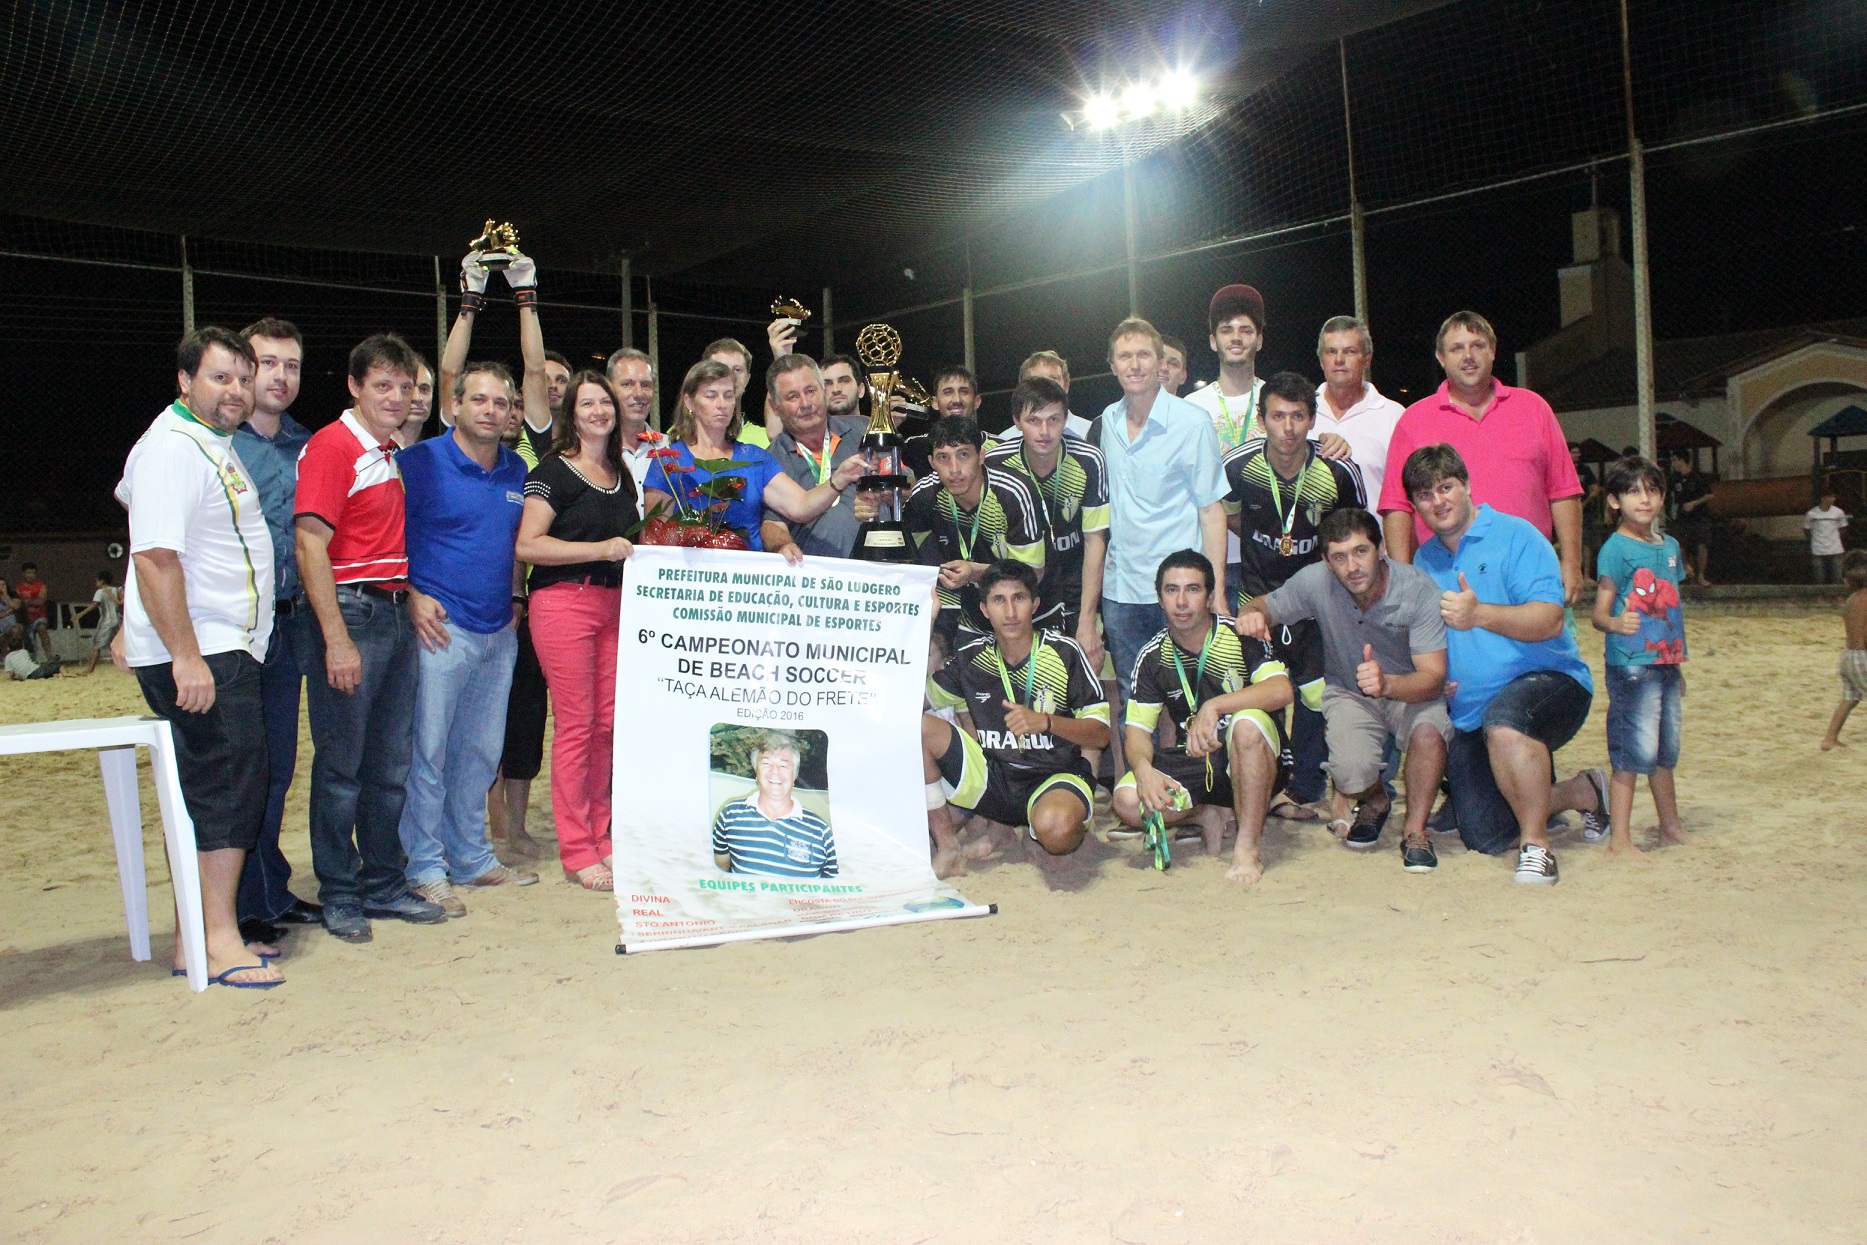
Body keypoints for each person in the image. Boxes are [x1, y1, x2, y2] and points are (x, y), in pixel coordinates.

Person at [115, 326, 282, 986]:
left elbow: (140, 518)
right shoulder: (172, 448)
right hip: (203, 651)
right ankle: (216, 936)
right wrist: (182, 654)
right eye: (221, 377)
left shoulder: (204, 443)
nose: (236, 389)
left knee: (220, 788)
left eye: (243, 377)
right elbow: (155, 555)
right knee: (224, 791)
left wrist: (134, 627)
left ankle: (198, 934)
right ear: (186, 380)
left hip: (220, 646)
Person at [295, 332, 449, 940]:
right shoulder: (335, 447)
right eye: (381, 385)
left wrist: (407, 596)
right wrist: (336, 638)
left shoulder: (385, 453)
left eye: (404, 386)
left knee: (389, 764)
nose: (395, 396)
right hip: (353, 615)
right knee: (341, 767)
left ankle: (383, 883)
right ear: (355, 387)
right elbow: (310, 543)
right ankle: (340, 891)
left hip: (390, 611)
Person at [1403, 444, 1606, 885]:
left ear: (1467, 486)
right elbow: (1425, 640)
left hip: (1550, 684)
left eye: (1446, 487)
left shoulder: (1519, 536)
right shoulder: (1425, 561)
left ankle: (1537, 847)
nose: (1438, 501)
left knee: (1507, 720)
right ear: (1415, 506)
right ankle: (1580, 791)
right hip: (1471, 711)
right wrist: (1433, 680)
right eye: (1424, 494)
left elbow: (1550, 620)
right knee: (1485, 833)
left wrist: (1480, 614)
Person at [397, 349, 539, 918]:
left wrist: (513, 596)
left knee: (479, 752)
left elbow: (515, 547)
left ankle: (472, 856)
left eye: (501, 402)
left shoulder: (516, 472)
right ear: (454, 405)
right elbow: (388, 534)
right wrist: (411, 594)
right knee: (427, 752)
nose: (490, 410)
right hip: (440, 629)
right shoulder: (419, 463)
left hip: (496, 629)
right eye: (477, 398)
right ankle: (425, 868)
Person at [1237, 509, 1450, 870]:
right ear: (1326, 561)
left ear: (1381, 548)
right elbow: (1264, 605)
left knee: (1429, 733)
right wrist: (1252, 613)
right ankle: (1377, 799)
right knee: (1349, 773)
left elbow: (1433, 677)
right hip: (1350, 693)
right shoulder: (1316, 581)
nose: (1352, 566)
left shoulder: (1417, 590)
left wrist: (1388, 684)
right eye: (1339, 557)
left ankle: (1415, 832)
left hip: (1410, 691)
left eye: (1360, 551)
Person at [1222, 372, 1367, 820]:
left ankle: (1305, 787)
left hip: (1317, 605)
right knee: (1263, 694)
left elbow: (1356, 534)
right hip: (1257, 601)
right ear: (1262, 420)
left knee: (1316, 695)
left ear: (1311, 420)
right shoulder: (1237, 465)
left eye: (1298, 417)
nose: (1288, 427)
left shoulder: (1338, 469)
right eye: (1278, 416)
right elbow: (1227, 519)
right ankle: (1261, 780)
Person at [516, 371, 638, 892]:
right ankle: (577, 848)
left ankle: (602, 835)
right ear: (573, 412)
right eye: (587, 403)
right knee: (576, 726)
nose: (597, 411)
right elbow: (528, 545)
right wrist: (600, 549)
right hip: (564, 603)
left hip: (615, 606)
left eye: (604, 402)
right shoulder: (552, 472)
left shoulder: (621, 473)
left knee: (608, 726)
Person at [1379, 312, 1586, 605]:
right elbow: (1397, 507)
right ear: (1441, 357)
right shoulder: (1413, 420)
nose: (1468, 356)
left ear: (1492, 350)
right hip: (1445, 577)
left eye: (1477, 345)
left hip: (1528, 571)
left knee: (1544, 647)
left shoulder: (1534, 408)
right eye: (1456, 348)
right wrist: (1404, 578)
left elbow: (1563, 491)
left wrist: (1571, 562)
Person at [923, 561, 1110, 876]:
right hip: (994, 779)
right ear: (984, 609)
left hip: (1053, 776)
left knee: (1058, 831)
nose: (1010, 611)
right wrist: (924, 623)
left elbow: (1101, 734)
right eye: (999, 600)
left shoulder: (1064, 653)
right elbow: (911, 702)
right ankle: (949, 848)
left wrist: (1047, 722)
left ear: (1035, 605)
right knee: (919, 728)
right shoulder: (971, 658)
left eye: (1019, 598)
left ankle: (1039, 828)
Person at [1115, 551, 1293, 882]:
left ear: (1211, 597)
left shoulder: (1239, 635)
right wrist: (1143, 770)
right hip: (1195, 761)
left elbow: (1281, 690)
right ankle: (1203, 813)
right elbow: (1137, 732)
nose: (1181, 601)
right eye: (1172, 590)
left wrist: (1216, 706)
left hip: (1249, 757)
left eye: (1193, 589)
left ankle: (1246, 846)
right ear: (1159, 599)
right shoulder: (1153, 656)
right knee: (1127, 800)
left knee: (1246, 724)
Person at [231, 315, 322, 939]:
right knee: (244, 767)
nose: (281, 377)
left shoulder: (308, 445)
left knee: (279, 767)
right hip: (237, 630)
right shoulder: (217, 443)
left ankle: (271, 890)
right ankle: (240, 905)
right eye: (268, 364)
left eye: (291, 366)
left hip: (292, 624)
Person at [1095, 317, 1230, 703]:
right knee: (1135, 701)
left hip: (1181, 590)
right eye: (1125, 356)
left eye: (1143, 355)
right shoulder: (1108, 421)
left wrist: (1216, 591)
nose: (1134, 364)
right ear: (1113, 366)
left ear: (1161, 364)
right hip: (1123, 592)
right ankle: (1140, 768)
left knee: (1198, 698)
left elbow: (1211, 511)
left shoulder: (1192, 423)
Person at [642, 360, 866, 562]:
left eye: (729, 396)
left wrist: (840, 478)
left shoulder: (755, 458)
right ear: (689, 402)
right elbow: (652, 539)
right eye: (711, 396)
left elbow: (801, 506)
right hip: (692, 582)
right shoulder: (668, 461)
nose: (722, 404)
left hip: (749, 586)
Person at [1591, 455, 1692, 854]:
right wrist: (1616, 625)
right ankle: (1620, 839)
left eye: (1652, 490)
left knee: (1665, 751)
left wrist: (1677, 665)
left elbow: (1673, 608)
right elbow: (1600, 611)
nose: (1644, 499)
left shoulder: (1670, 547)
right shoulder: (1615, 549)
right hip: (1631, 664)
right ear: (1615, 500)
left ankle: (1670, 826)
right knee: (1632, 752)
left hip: (1665, 662)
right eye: (1633, 492)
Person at [904, 416, 1046, 645]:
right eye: (943, 458)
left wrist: (974, 572)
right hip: (968, 610)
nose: (954, 469)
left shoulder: (1013, 492)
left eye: (963, 454)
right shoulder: (926, 494)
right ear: (932, 462)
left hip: (1026, 607)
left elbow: (1033, 573)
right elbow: (903, 553)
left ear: (981, 456)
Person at [765, 354, 870, 558]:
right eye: (792, 396)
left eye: (811, 391)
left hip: (876, 570)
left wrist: (884, 494)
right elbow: (772, 524)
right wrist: (782, 546)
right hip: (819, 577)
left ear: (823, 390)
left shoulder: (866, 431)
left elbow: (906, 483)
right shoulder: (770, 460)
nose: (805, 403)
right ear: (775, 406)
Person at [711, 736, 837, 878]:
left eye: (783, 765)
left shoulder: (821, 831)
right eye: (766, 763)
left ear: (794, 774)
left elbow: (833, 890)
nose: (774, 772)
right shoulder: (729, 815)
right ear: (756, 772)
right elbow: (719, 874)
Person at [1313, 316, 1405, 508]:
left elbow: (1407, 493)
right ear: (1321, 360)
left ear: (1367, 360)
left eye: (1350, 351)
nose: (1339, 360)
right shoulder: (1301, 413)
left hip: (1376, 537)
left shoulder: (1394, 416)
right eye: (1331, 352)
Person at [1819, 551, 1867, 750]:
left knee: (1849, 698)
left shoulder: (1851, 600)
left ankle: (1830, 738)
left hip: (1848, 657)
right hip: (1863, 657)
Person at [605, 346, 659, 507]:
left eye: (646, 385)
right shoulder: (596, 451)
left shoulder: (669, 449)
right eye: (627, 384)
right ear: (609, 388)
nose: (638, 393)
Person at [997, 352, 1092, 439]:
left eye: (1053, 379)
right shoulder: (1005, 440)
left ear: (1066, 385)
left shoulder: (1090, 431)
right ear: (1024, 389)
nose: (1046, 388)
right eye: (1038, 381)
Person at [701, 336, 772, 448]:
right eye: (721, 368)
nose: (730, 376)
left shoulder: (766, 439)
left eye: (737, 370)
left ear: (747, 379)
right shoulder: (679, 437)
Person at [1667, 450, 1715, 586]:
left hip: (1699, 517)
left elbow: (1710, 495)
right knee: (1678, 544)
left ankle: (1701, 576)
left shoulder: (1697, 477)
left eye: (1675, 460)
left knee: (1702, 545)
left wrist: (1694, 503)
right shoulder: (1674, 478)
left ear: (1682, 460)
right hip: (1682, 518)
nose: (1673, 464)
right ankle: (1686, 567)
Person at [75, 570, 119, 675]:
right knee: (117, 644)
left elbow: (94, 605)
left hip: (106, 621)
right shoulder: (117, 590)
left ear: (102, 581)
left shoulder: (101, 592)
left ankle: (89, 669)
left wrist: (80, 614)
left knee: (96, 645)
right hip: (118, 620)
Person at [1806, 488, 1849, 585]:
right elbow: (1807, 529)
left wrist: (1835, 537)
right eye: (1830, 497)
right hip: (1818, 549)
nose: (1833, 499)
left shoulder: (1838, 512)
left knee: (1837, 577)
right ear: (1823, 498)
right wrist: (1815, 539)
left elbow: (1843, 527)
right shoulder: (1812, 514)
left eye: (1833, 497)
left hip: (1835, 549)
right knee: (1819, 578)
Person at [396, 354, 434, 449]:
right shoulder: (367, 450)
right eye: (407, 388)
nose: (417, 398)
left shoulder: (436, 454)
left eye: (424, 389)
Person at [14, 562, 50, 662]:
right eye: (28, 573)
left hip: (39, 616)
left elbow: (41, 601)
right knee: (27, 641)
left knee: (42, 629)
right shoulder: (19, 588)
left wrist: (26, 601)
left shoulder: (41, 586)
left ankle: (50, 657)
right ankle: (29, 661)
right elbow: (18, 604)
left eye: (33, 573)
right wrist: (32, 601)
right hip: (25, 619)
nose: (31, 575)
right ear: (23, 574)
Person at [819, 353, 868, 423]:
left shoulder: (878, 430)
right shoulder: (809, 432)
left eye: (844, 381)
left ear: (860, 390)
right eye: (828, 384)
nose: (836, 389)